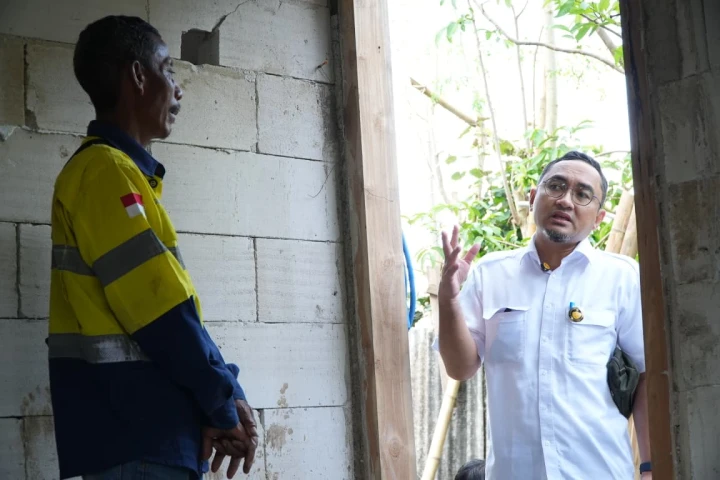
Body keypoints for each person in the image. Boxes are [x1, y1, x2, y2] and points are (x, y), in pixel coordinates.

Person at [48, 16, 256, 480]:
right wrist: (222, 405)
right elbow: (162, 316)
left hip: (149, 437)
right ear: (138, 76)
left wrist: (228, 395)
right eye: (169, 69)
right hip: (139, 436)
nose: (178, 89)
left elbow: (174, 311)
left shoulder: (124, 177)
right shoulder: (105, 173)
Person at [437, 151, 651, 479]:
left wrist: (650, 468)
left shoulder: (622, 278)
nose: (565, 200)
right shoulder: (490, 274)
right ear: (533, 197)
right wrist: (449, 299)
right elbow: (460, 367)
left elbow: (648, 375)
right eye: (556, 186)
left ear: (599, 218)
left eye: (582, 194)